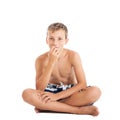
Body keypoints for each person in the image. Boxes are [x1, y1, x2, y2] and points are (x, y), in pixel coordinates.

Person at [22, 22, 101, 116]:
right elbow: (39, 88)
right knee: (26, 94)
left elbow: (82, 84)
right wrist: (51, 62)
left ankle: (49, 107)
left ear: (66, 41)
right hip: (49, 93)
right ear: (47, 40)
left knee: (95, 92)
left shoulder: (73, 56)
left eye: (60, 39)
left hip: (70, 93)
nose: (55, 43)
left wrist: (56, 97)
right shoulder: (40, 59)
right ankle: (77, 110)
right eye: (51, 38)